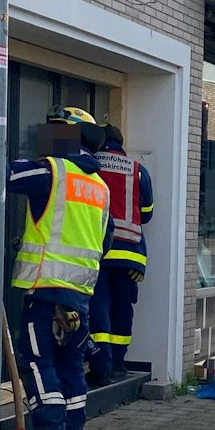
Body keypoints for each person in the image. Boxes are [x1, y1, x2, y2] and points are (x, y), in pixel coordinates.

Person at [7, 107, 110, 430]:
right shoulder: (101, 188)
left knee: (37, 361)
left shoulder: (52, 170)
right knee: (71, 364)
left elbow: (0, 174)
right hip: (80, 296)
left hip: (45, 290)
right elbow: (104, 242)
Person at [89, 124, 154, 383]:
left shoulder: (92, 166)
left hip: (98, 251)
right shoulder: (137, 170)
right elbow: (146, 213)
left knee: (98, 308)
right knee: (122, 309)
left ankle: (101, 366)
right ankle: (118, 363)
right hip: (130, 255)